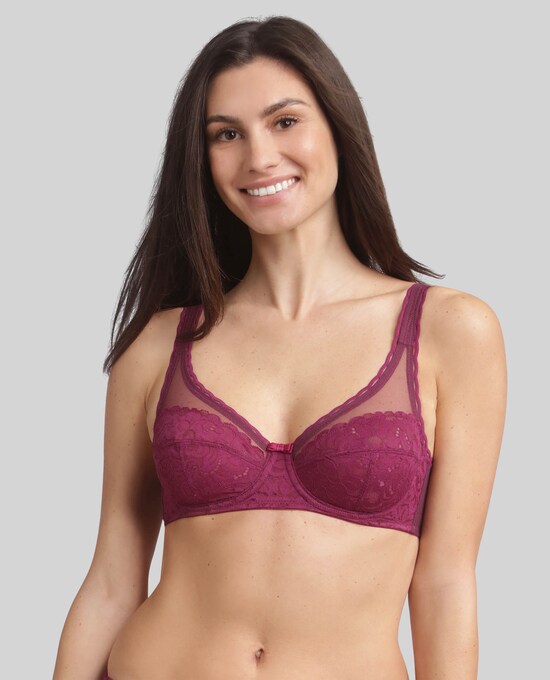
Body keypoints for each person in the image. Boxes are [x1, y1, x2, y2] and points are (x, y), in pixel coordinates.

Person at [52, 15, 507, 680]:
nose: (259, 157)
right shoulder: (158, 346)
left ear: (338, 128)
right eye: (226, 134)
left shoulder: (449, 331)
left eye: (285, 121)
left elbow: (445, 583)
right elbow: (112, 581)